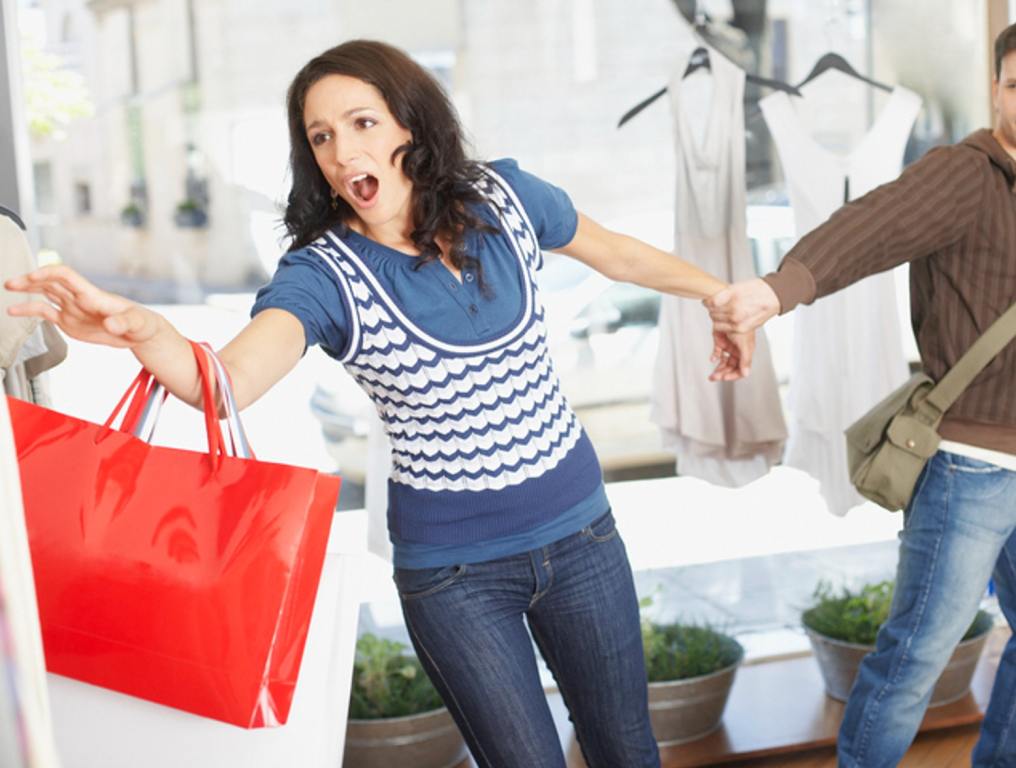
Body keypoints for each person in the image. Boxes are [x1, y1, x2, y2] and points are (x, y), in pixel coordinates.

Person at [7, 40, 751, 768]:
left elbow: (617, 252)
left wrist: (719, 296)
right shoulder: (324, 275)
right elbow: (228, 381)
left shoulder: (506, 198)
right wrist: (146, 333)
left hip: (583, 537)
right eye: (321, 137)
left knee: (628, 751)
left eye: (362, 123)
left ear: (409, 124)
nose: (341, 151)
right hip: (457, 579)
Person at [706, 24, 1016, 768]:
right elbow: (869, 226)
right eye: (1015, 83)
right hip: (972, 468)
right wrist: (778, 292)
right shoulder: (966, 174)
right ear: (996, 90)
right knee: (912, 662)